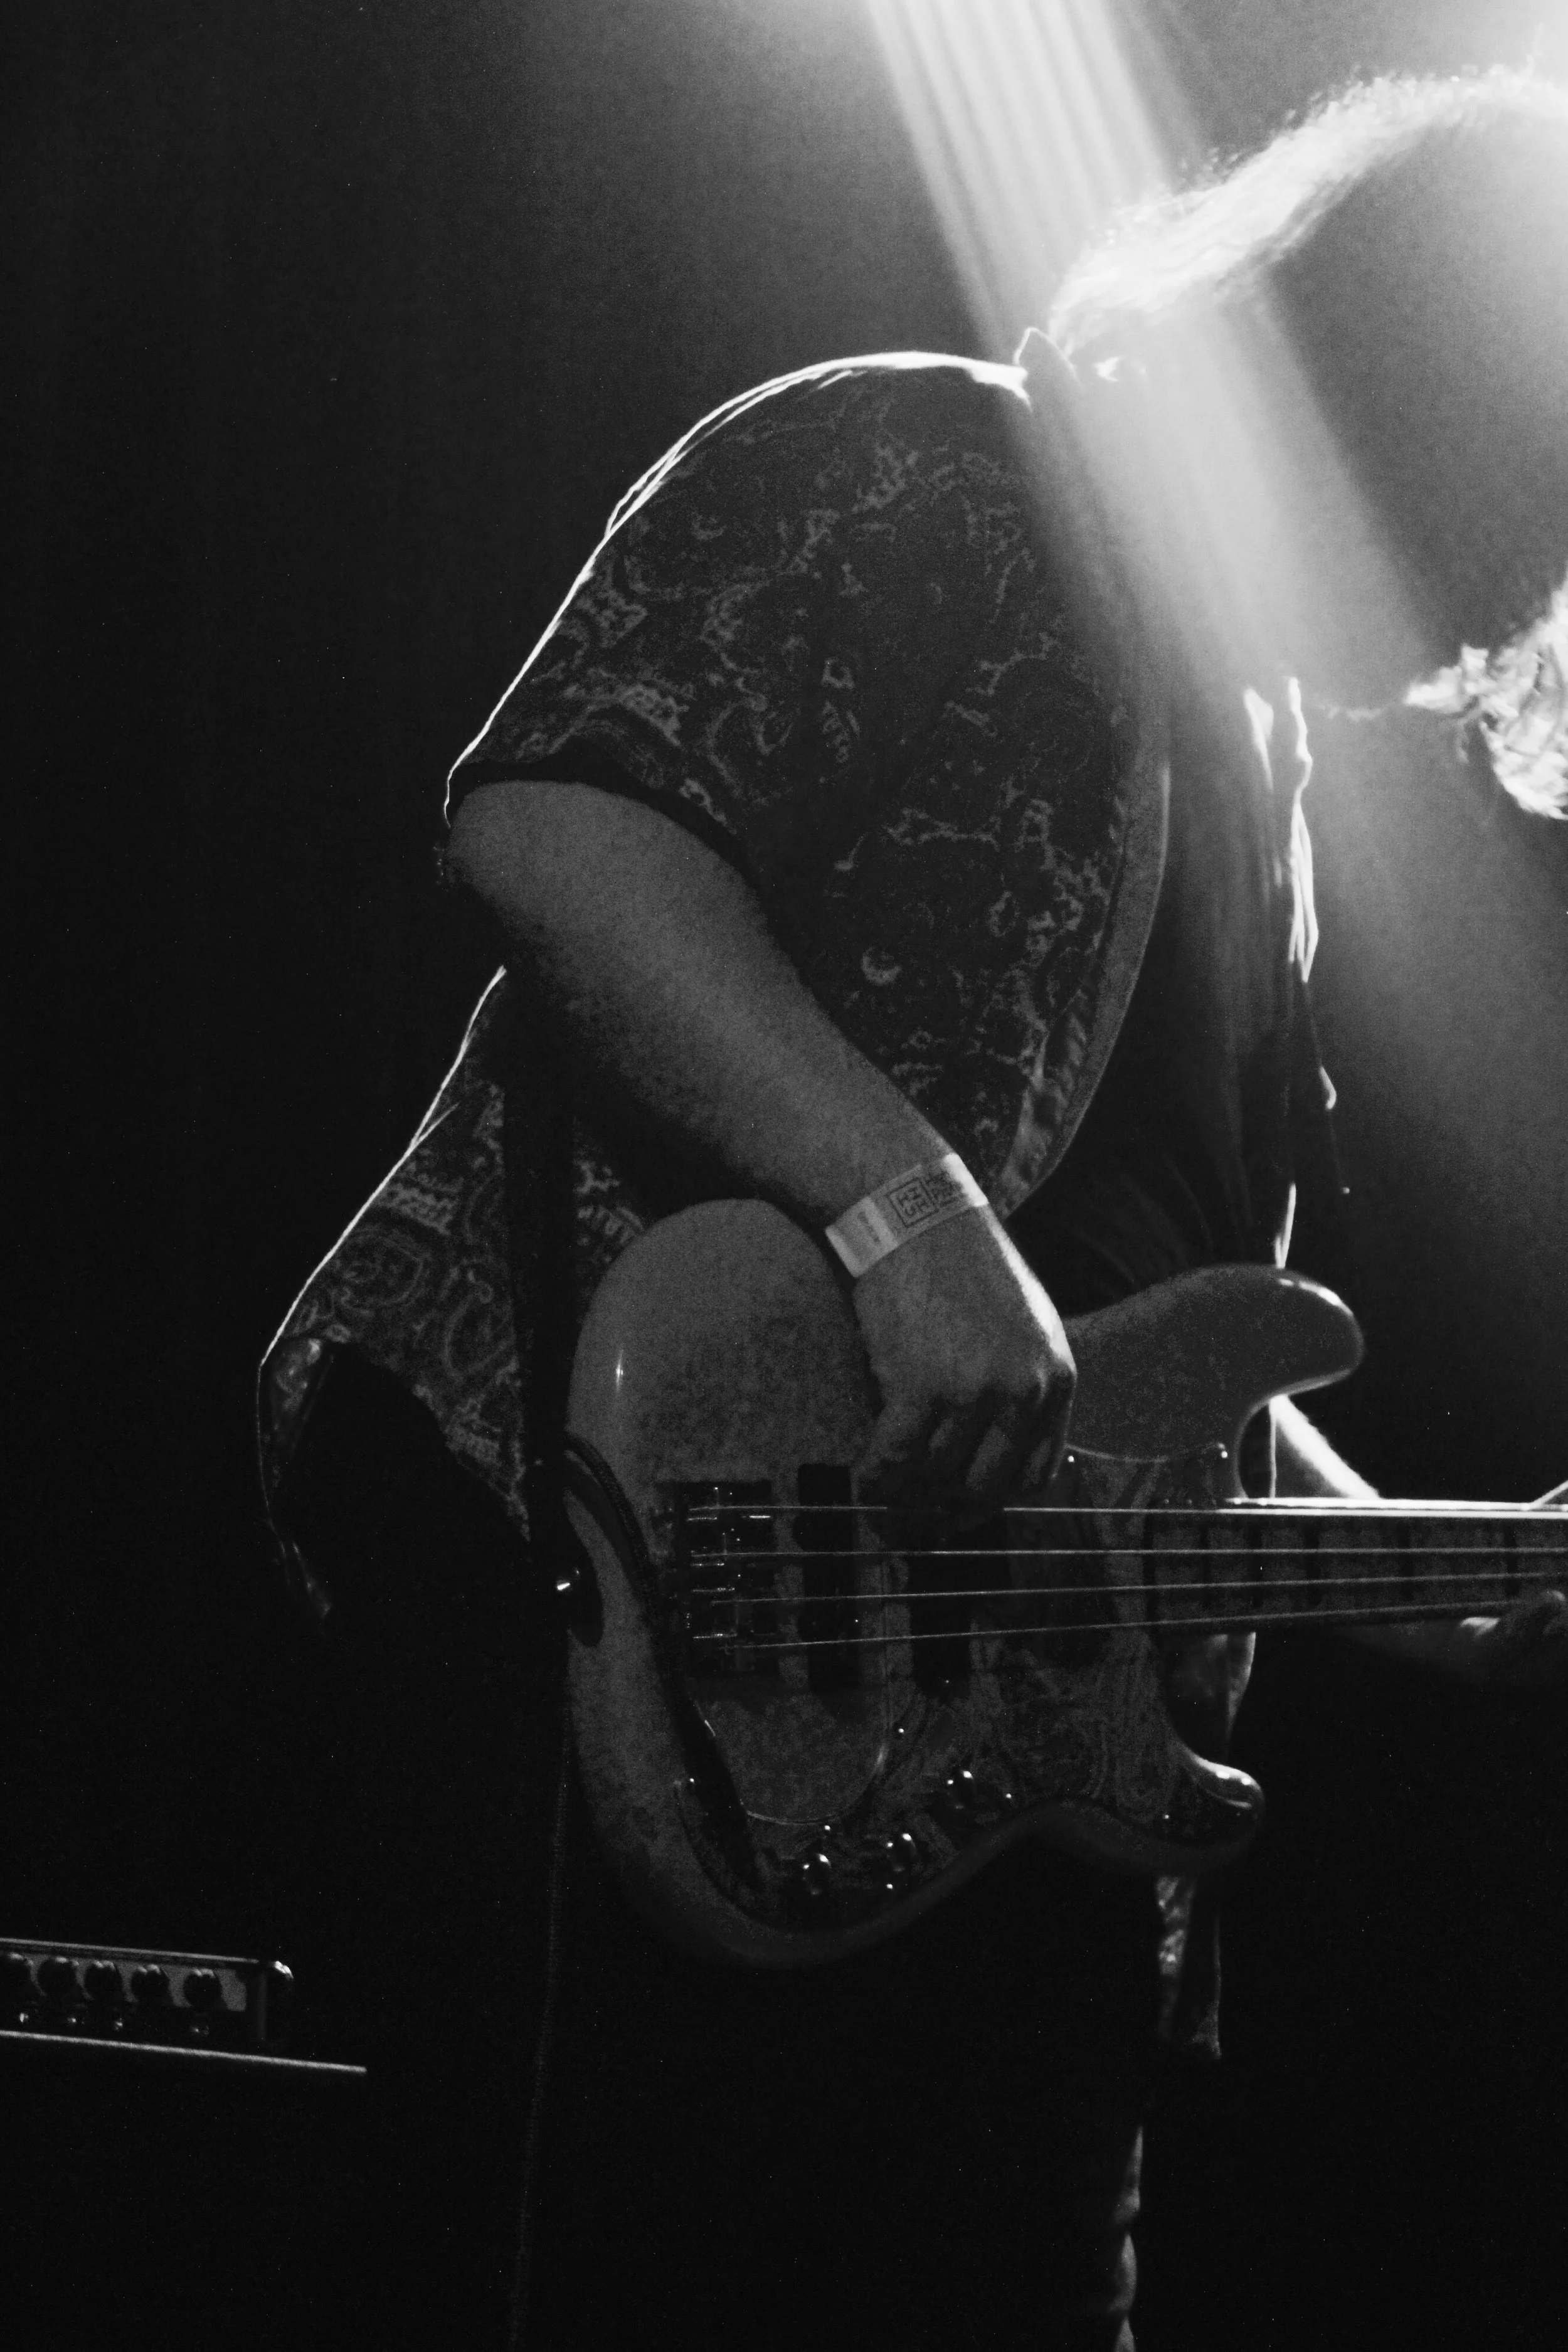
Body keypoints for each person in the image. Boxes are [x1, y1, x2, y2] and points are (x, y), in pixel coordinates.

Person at [260, 72, 1568, 2350]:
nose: (1508, 591)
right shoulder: (946, 459)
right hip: (625, 1556)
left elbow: (1160, 1330)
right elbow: (559, 824)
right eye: (1520, 495)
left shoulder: (1252, 778)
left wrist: (1445, 1579)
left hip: (994, 1756)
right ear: (1394, 380)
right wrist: (904, 1209)